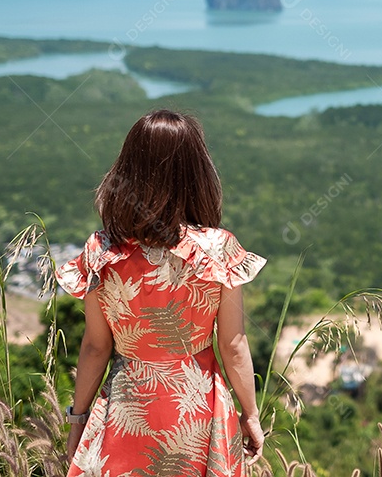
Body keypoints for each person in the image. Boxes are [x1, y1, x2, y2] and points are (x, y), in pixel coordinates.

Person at [55, 109, 266, 476]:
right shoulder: (218, 250)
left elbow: (95, 346)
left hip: (126, 410)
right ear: (196, 172)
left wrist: (78, 418)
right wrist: (250, 415)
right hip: (199, 411)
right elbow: (233, 345)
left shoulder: (101, 251)